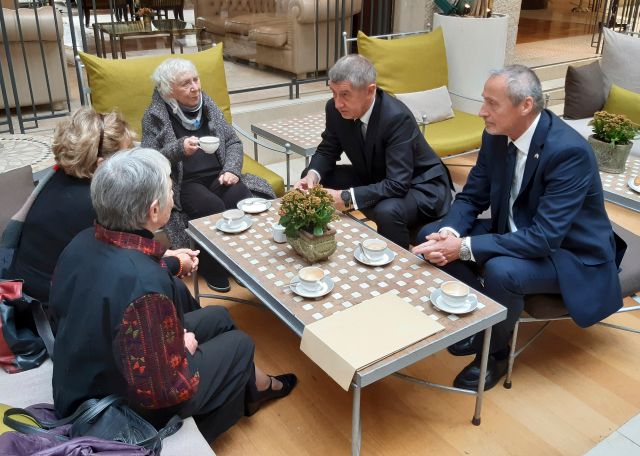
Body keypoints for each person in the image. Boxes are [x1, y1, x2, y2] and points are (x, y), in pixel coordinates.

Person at [49, 148, 296, 442]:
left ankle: (252, 387)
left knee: (220, 316)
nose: (173, 194)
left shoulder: (81, 242)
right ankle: (234, 404)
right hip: (119, 409)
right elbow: (164, 389)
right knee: (240, 344)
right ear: (154, 210)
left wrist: (170, 264)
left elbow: (110, 286)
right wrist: (182, 351)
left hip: (86, 376)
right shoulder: (145, 288)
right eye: (169, 188)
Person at [413, 65, 626, 391]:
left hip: (570, 254)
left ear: (525, 105)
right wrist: (452, 234)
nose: (481, 112)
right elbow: (471, 196)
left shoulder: (569, 152)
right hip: (517, 233)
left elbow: (544, 238)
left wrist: (465, 248)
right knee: (429, 236)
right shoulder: (496, 135)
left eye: (492, 104)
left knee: (502, 271)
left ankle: (495, 353)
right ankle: (482, 320)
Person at [1, 108, 198, 310]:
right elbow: (124, 273)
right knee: (172, 289)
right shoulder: (96, 205)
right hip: (52, 309)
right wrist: (177, 263)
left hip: (29, 284)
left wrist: (165, 255)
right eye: (127, 154)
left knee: (175, 289)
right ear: (103, 164)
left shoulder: (58, 178)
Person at [141, 58, 275, 292]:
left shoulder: (208, 106)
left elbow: (233, 142)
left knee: (241, 195)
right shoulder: (154, 117)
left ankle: (245, 263)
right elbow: (149, 161)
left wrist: (232, 169)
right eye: (185, 84)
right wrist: (178, 149)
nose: (195, 87)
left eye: (196, 79)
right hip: (185, 183)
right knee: (210, 207)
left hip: (219, 174)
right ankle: (213, 266)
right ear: (168, 90)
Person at [293, 54, 452, 249]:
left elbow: (397, 184)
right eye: (333, 93)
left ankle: (396, 266)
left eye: (344, 94)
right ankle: (316, 243)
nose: (337, 103)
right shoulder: (335, 110)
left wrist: (347, 198)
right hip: (376, 175)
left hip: (420, 185)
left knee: (387, 210)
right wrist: (312, 175)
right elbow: (327, 150)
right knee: (312, 180)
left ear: (370, 91)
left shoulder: (396, 117)